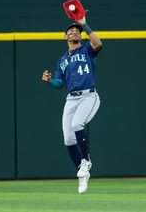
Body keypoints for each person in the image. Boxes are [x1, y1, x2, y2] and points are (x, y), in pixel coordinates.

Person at [41, 16, 102, 194]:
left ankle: (86, 161)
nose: (74, 31)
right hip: (71, 99)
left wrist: (84, 24)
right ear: (65, 37)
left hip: (88, 96)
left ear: (80, 36)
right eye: (71, 31)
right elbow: (59, 84)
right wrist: (50, 80)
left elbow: (98, 43)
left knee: (77, 124)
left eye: (77, 31)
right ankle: (83, 174)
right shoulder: (61, 60)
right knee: (68, 138)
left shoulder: (86, 50)